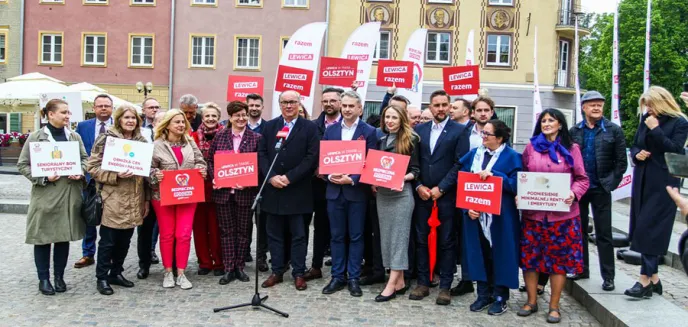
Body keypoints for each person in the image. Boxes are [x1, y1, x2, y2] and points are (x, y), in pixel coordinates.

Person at [518, 108, 589, 324]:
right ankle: (531, 301)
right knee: (530, 260)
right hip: (534, 215)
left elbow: (582, 178)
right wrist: (520, 193)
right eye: (543, 120)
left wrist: (573, 193)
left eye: (552, 120)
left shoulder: (572, 148)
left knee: (559, 262)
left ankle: (554, 306)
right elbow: (522, 175)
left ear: (560, 124)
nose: (547, 123)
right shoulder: (531, 148)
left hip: (563, 217)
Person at [17, 99, 87, 295]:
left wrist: (80, 171)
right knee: (43, 237)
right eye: (64, 112)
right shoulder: (36, 137)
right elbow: (22, 165)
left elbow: (85, 159)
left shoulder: (74, 136)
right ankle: (44, 279)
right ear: (50, 114)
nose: (67, 116)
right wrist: (43, 178)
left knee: (63, 236)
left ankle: (59, 277)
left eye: (68, 112)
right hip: (45, 195)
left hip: (68, 194)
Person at [625, 86, 688, 299]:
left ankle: (644, 281)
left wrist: (655, 129)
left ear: (662, 102)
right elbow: (634, 145)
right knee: (641, 227)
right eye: (646, 105)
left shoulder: (680, 122)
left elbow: (676, 150)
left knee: (650, 229)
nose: (648, 109)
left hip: (665, 183)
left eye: (651, 104)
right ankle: (655, 280)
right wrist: (637, 154)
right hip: (643, 179)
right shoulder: (646, 119)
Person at [410, 90, 469, 306]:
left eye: (445, 104)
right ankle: (423, 282)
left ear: (450, 106)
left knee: (446, 241)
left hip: (446, 196)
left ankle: (445, 285)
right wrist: (418, 187)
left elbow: (460, 163)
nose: (441, 109)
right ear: (431, 106)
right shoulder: (419, 130)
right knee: (421, 239)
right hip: (423, 195)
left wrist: (442, 188)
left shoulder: (459, 131)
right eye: (437, 105)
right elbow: (412, 163)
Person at [258, 90, 320, 291]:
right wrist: (272, 176)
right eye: (284, 102)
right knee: (274, 234)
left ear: (300, 103)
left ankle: (299, 272)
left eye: (293, 102)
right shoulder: (270, 126)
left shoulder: (310, 128)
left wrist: (290, 177)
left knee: (299, 235)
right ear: (279, 104)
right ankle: (277, 271)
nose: (289, 106)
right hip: (273, 190)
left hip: (298, 190)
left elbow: (311, 157)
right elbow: (263, 154)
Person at [459, 119, 521, 315]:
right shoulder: (474, 154)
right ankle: (483, 294)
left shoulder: (512, 157)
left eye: (487, 134)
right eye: (482, 133)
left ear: (500, 138)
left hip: (501, 217)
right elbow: (463, 180)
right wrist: (467, 208)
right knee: (479, 254)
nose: (483, 137)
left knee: (500, 255)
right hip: (476, 214)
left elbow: (516, 184)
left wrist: (495, 176)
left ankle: (500, 296)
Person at [86, 105, 150, 295]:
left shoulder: (142, 141)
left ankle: (116, 272)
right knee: (108, 241)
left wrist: (145, 200)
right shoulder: (107, 139)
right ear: (119, 119)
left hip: (135, 197)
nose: (130, 121)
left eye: (134, 118)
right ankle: (102, 277)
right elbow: (92, 167)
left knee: (125, 240)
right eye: (126, 117)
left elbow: (145, 175)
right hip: (113, 197)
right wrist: (115, 175)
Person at [568, 91, 627, 291]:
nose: (596, 108)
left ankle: (608, 276)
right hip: (579, 188)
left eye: (599, 105)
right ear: (583, 107)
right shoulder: (574, 131)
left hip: (601, 187)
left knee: (604, 233)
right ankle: (582, 268)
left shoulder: (613, 130)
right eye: (592, 104)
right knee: (580, 231)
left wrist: (610, 183)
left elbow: (621, 162)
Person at [320, 91, 377, 297]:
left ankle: (353, 277)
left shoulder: (369, 132)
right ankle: (337, 276)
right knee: (336, 236)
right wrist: (329, 175)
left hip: (356, 192)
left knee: (356, 236)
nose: (346, 109)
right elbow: (324, 160)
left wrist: (352, 178)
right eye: (344, 105)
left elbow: (370, 162)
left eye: (351, 106)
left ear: (360, 108)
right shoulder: (331, 130)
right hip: (334, 191)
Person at [150, 109, 207, 290]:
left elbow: (200, 161)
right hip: (163, 196)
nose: (181, 125)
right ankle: (168, 271)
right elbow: (148, 169)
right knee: (167, 234)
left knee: (183, 234)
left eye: (183, 122)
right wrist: (155, 175)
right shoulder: (157, 145)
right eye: (177, 122)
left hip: (188, 194)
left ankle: (181, 273)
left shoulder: (190, 143)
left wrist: (201, 169)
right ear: (167, 125)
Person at [207, 101, 262, 285]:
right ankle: (229, 268)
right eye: (237, 115)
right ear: (230, 117)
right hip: (223, 193)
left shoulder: (256, 138)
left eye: (244, 115)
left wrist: (249, 182)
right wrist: (214, 176)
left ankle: (240, 267)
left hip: (245, 194)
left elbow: (259, 165)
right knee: (226, 231)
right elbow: (210, 162)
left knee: (243, 231)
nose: (241, 118)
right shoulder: (219, 137)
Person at [374, 105, 420, 302]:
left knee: (399, 239)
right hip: (383, 195)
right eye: (387, 117)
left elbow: (416, 170)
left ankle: (391, 284)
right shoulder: (381, 140)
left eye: (394, 117)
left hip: (401, 195)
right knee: (387, 239)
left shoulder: (411, 140)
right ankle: (399, 280)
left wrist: (403, 178)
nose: (390, 121)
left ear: (402, 119)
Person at [303, 87, 343, 282]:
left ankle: (339, 268)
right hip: (317, 184)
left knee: (340, 228)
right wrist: (316, 168)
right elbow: (307, 152)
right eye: (325, 100)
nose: (328, 104)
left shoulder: (348, 125)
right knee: (319, 226)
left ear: (340, 102)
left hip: (342, 184)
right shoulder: (312, 126)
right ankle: (316, 265)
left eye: (333, 100)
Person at [73, 94, 114, 269]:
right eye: (100, 106)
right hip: (89, 180)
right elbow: (77, 151)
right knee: (89, 216)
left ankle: (109, 253)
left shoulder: (119, 125)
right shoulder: (82, 126)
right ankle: (88, 253)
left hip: (113, 179)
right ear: (94, 108)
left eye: (107, 105)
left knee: (110, 218)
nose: (103, 108)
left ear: (112, 108)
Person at [191, 103, 225, 276]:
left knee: (217, 226)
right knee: (200, 227)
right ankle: (204, 261)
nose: (210, 119)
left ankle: (219, 262)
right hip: (197, 187)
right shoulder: (192, 137)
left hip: (219, 187)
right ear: (202, 118)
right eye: (207, 116)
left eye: (214, 116)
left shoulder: (225, 135)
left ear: (219, 118)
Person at [243, 93, 268, 271]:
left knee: (262, 222)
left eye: (257, 105)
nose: (253, 108)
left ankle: (261, 256)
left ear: (262, 107)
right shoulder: (237, 126)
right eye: (250, 105)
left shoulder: (268, 127)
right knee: (244, 221)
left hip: (262, 182)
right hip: (242, 182)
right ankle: (244, 252)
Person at [137, 100, 161, 280]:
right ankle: (143, 264)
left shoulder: (174, 140)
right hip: (145, 190)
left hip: (166, 192)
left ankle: (172, 264)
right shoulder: (141, 135)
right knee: (145, 229)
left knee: (167, 230)